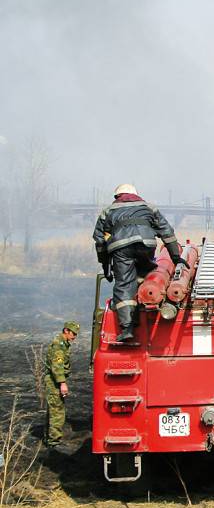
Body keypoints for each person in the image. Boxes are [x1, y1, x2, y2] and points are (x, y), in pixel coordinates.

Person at [92, 184, 187, 342]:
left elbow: (100, 242)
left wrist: (105, 265)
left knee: (124, 284)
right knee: (142, 276)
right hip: (146, 245)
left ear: (117, 197)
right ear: (136, 195)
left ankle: (128, 328)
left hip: (121, 249)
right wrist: (176, 257)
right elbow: (167, 232)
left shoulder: (108, 211)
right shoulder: (149, 208)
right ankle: (142, 307)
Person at [45, 321, 80, 448]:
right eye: (73, 333)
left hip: (54, 381)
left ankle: (49, 438)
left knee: (54, 409)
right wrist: (62, 383)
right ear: (66, 331)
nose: (75, 336)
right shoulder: (59, 345)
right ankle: (54, 442)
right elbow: (57, 366)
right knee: (57, 411)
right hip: (54, 381)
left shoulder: (63, 344)